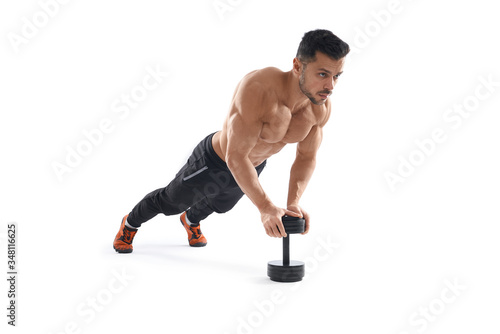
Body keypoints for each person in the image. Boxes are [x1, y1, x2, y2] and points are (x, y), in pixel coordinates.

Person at [113, 29, 349, 253]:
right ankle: (130, 224)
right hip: (215, 161)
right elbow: (235, 156)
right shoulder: (259, 89)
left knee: (221, 206)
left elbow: (306, 157)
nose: (330, 86)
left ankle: (191, 220)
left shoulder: (319, 107)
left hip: (253, 166)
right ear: (298, 66)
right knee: (171, 203)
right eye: (322, 74)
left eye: (336, 76)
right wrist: (266, 207)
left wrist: (293, 204)